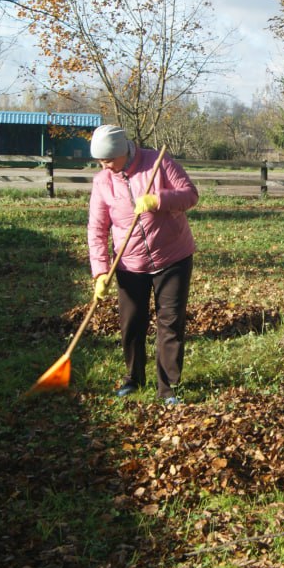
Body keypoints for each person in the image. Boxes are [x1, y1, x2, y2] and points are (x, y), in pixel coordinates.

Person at [87, 124, 199, 406]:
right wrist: (100, 271)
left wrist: (157, 200)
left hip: (173, 257)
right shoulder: (103, 181)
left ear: (124, 151)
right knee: (131, 323)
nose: (105, 166)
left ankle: (168, 387)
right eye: (100, 161)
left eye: (109, 159)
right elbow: (97, 229)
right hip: (129, 263)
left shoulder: (157, 163)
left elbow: (190, 195)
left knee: (170, 323)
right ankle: (134, 378)